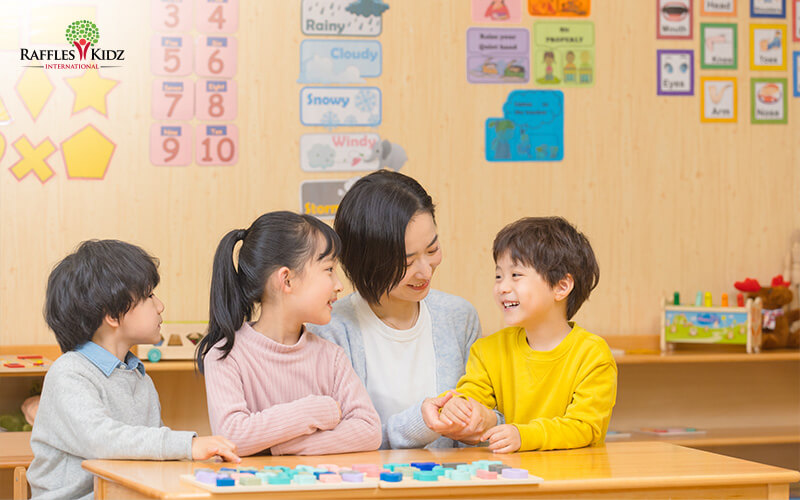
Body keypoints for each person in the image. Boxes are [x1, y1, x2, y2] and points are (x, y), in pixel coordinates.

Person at [28, 240, 239, 500]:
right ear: (113, 315)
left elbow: (150, 448)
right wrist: (188, 445)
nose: (160, 305)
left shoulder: (137, 375)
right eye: (149, 296)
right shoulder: (69, 373)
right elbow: (101, 440)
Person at [310, 170, 497, 449]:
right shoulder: (328, 328)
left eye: (432, 249)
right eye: (407, 262)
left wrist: (488, 422)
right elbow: (333, 440)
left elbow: (483, 428)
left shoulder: (459, 317)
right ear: (365, 261)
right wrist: (420, 424)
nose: (425, 271)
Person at [198, 211, 382, 456]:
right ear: (287, 280)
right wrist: (315, 410)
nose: (339, 285)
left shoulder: (331, 356)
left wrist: (282, 446)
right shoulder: (226, 355)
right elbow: (232, 437)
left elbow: (369, 430)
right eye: (329, 269)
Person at [429, 217, 617, 453]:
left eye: (516, 275)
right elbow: (472, 395)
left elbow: (585, 426)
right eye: (499, 276)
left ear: (561, 286)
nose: (502, 287)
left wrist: (524, 435)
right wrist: (459, 406)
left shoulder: (592, 354)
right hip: (513, 477)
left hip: (573, 479)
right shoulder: (488, 350)